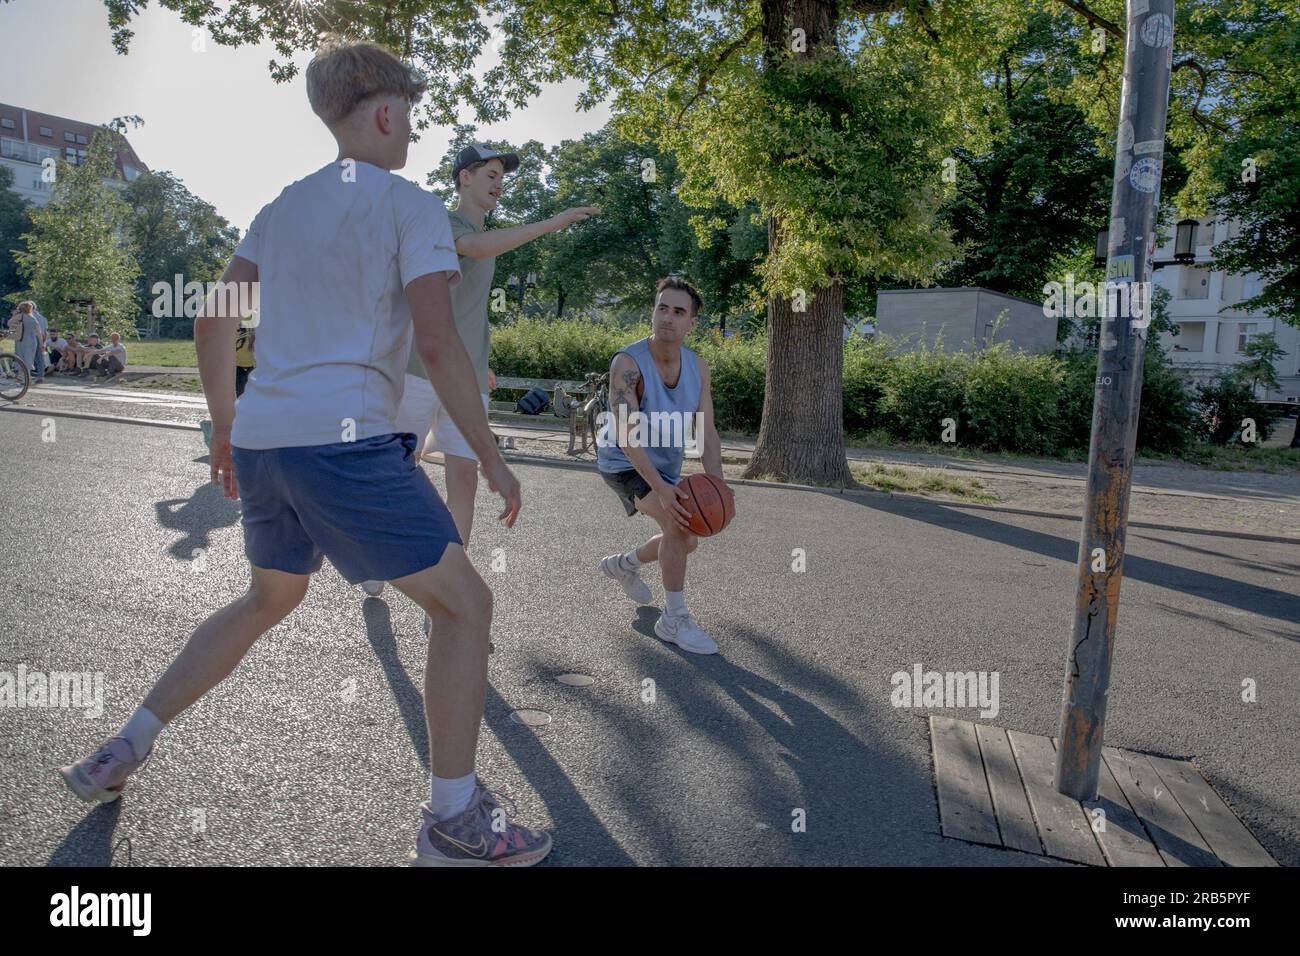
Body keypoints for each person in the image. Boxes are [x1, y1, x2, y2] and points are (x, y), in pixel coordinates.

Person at [59, 38, 549, 867]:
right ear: (386, 113)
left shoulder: (282, 206)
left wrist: (224, 424)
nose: (412, 136)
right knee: (466, 606)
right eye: (411, 119)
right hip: (343, 445)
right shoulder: (411, 207)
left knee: (266, 601)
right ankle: (454, 820)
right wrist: (492, 453)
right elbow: (437, 342)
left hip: (264, 442)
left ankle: (126, 744)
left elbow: (213, 320)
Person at [359, 143, 598, 599]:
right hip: (415, 368)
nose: (498, 182)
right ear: (464, 178)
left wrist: (481, 363)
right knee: (398, 466)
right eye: (489, 173)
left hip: (464, 374)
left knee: (464, 475)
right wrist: (553, 222)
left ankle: (452, 586)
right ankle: (379, 555)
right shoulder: (443, 224)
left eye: (500, 176)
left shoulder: (485, 237)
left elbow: (470, 311)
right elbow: (474, 246)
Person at [596, 276, 734, 655]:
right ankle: (674, 619)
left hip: (666, 467)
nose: (667, 318)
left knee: (688, 538)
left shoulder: (698, 367)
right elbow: (626, 434)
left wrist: (716, 485)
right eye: (662, 308)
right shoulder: (629, 364)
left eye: (678, 311)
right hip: (623, 461)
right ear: (652, 312)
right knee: (678, 523)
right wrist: (660, 489)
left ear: (692, 323)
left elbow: (706, 432)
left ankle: (623, 564)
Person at [9, 302, 40, 379]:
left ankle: (22, 376)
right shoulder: (33, 317)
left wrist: (16, 325)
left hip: (22, 339)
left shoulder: (20, 316)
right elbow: (39, 332)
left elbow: (9, 323)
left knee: (21, 357)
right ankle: (26, 376)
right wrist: (42, 343)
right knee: (29, 358)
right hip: (32, 340)